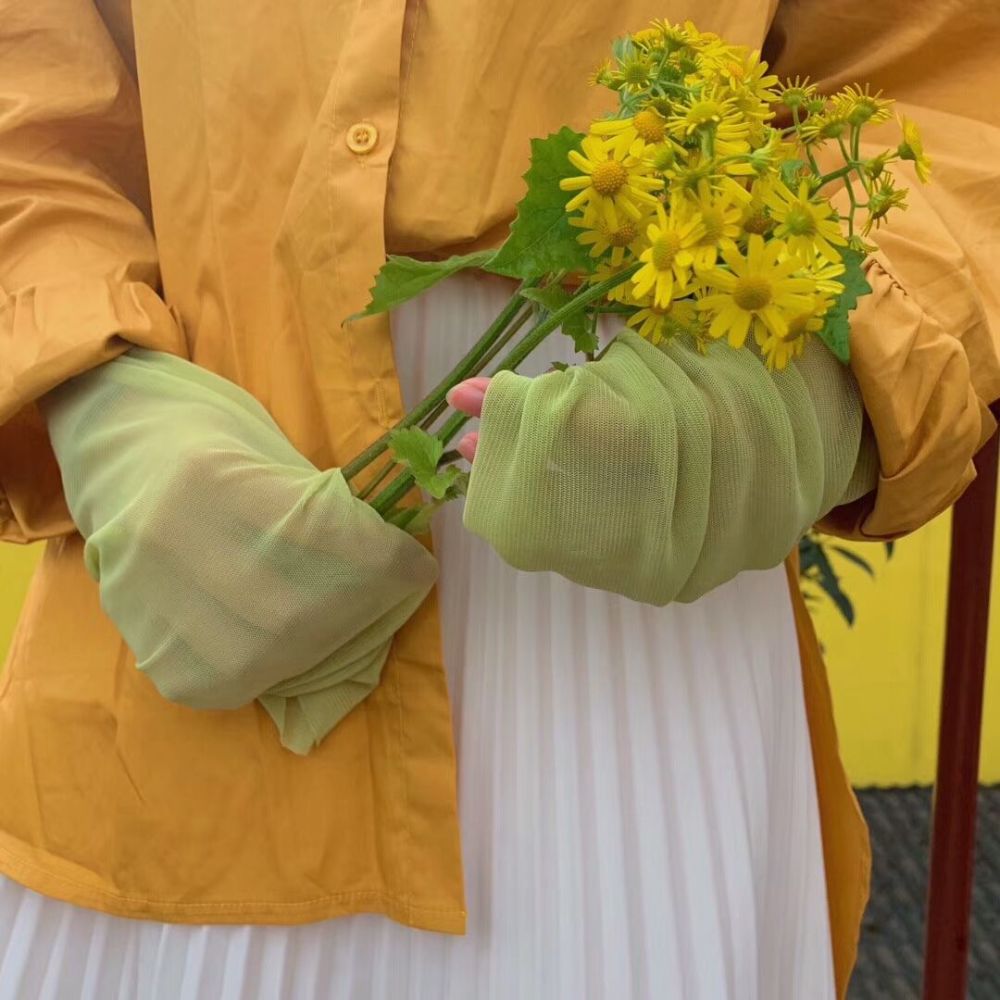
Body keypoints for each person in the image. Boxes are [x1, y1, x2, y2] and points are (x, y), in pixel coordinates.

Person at [0, 2, 997, 997]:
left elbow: (957, 89)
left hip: (637, 558)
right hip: (189, 550)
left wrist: (805, 393)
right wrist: (96, 391)